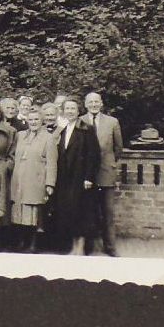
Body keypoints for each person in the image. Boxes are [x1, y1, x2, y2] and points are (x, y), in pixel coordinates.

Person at [48, 96, 100, 254]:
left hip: (80, 178)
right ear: (63, 111)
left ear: (78, 111)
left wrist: (89, 177)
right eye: (67, 109)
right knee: (68, 212)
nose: (70, 111)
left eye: (73, 109)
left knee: (81, 212)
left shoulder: (87, 129)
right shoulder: (63, 129)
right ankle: (72, 246)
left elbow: (93, 155)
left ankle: (81, 247)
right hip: (65, 178)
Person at [8, 102, 58, 252]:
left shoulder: (48, 138)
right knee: (19, 211)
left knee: (34, 212)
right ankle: (21, 242)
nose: (34, 122)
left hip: (36, 180)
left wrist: (50, 184)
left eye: (36, 119)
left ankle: (33, 244)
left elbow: (52, 163)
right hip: (19, 180)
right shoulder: (20, 135)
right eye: (31, 119)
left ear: (42, 120)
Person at [82, 91, 124, 257]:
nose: (93, 104)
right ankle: (88, 247)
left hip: (106, 173)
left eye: (96, 101)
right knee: (88, 212)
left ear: (101, 103)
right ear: (85, 104)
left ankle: (110, 247)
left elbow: (118, 148)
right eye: (90, 102)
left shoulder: (112, 122)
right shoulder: (80, 121)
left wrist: (110, 163)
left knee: (108, 212)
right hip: (87, 175)